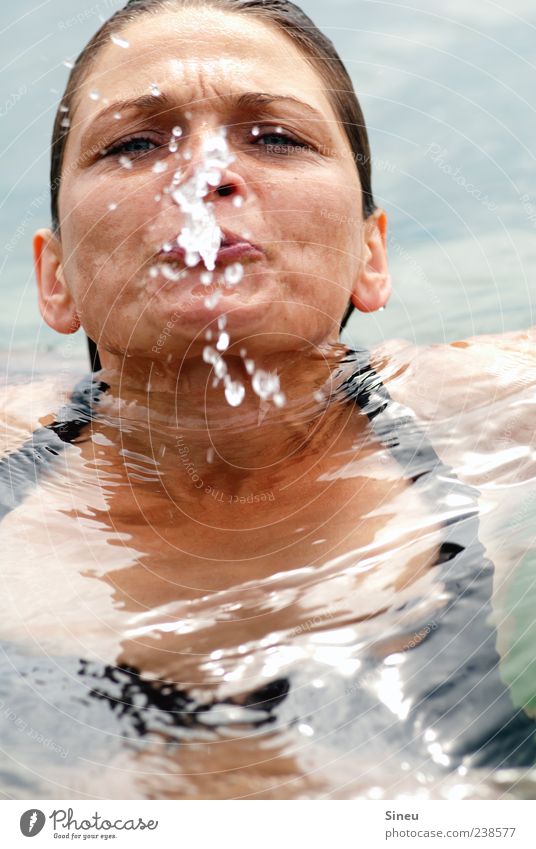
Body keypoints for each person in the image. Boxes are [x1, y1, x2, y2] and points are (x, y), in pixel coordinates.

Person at [1, 0, 535, 798]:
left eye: (276, 137)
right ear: (55, 278)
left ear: (372, 253)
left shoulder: (492, 414)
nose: (203, 175)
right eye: (135, 143)